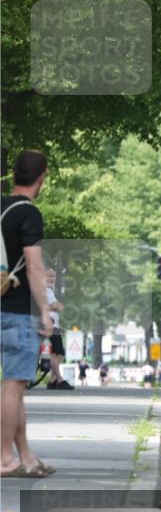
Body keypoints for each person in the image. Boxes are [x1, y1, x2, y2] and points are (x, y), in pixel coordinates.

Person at [2, 150, 55, 478]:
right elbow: (34, 267)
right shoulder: (28, 213)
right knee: (13, 385)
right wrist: (46, 311)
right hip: (17, 311)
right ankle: (5, 457)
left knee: (13, 386)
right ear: (42, 177)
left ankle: (26, 456)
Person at [44, 268, 73, 390]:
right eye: (49, 276)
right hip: (50, 325)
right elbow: (56, 306)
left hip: (53, 325)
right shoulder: (46, 290)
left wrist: (54, 306)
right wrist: (55, 306)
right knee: (58, 353)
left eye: (53, 277)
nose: (52, 279)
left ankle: (52, 380)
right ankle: (59, 379)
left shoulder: (50, 290)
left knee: (57, 353)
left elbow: (55, 306)